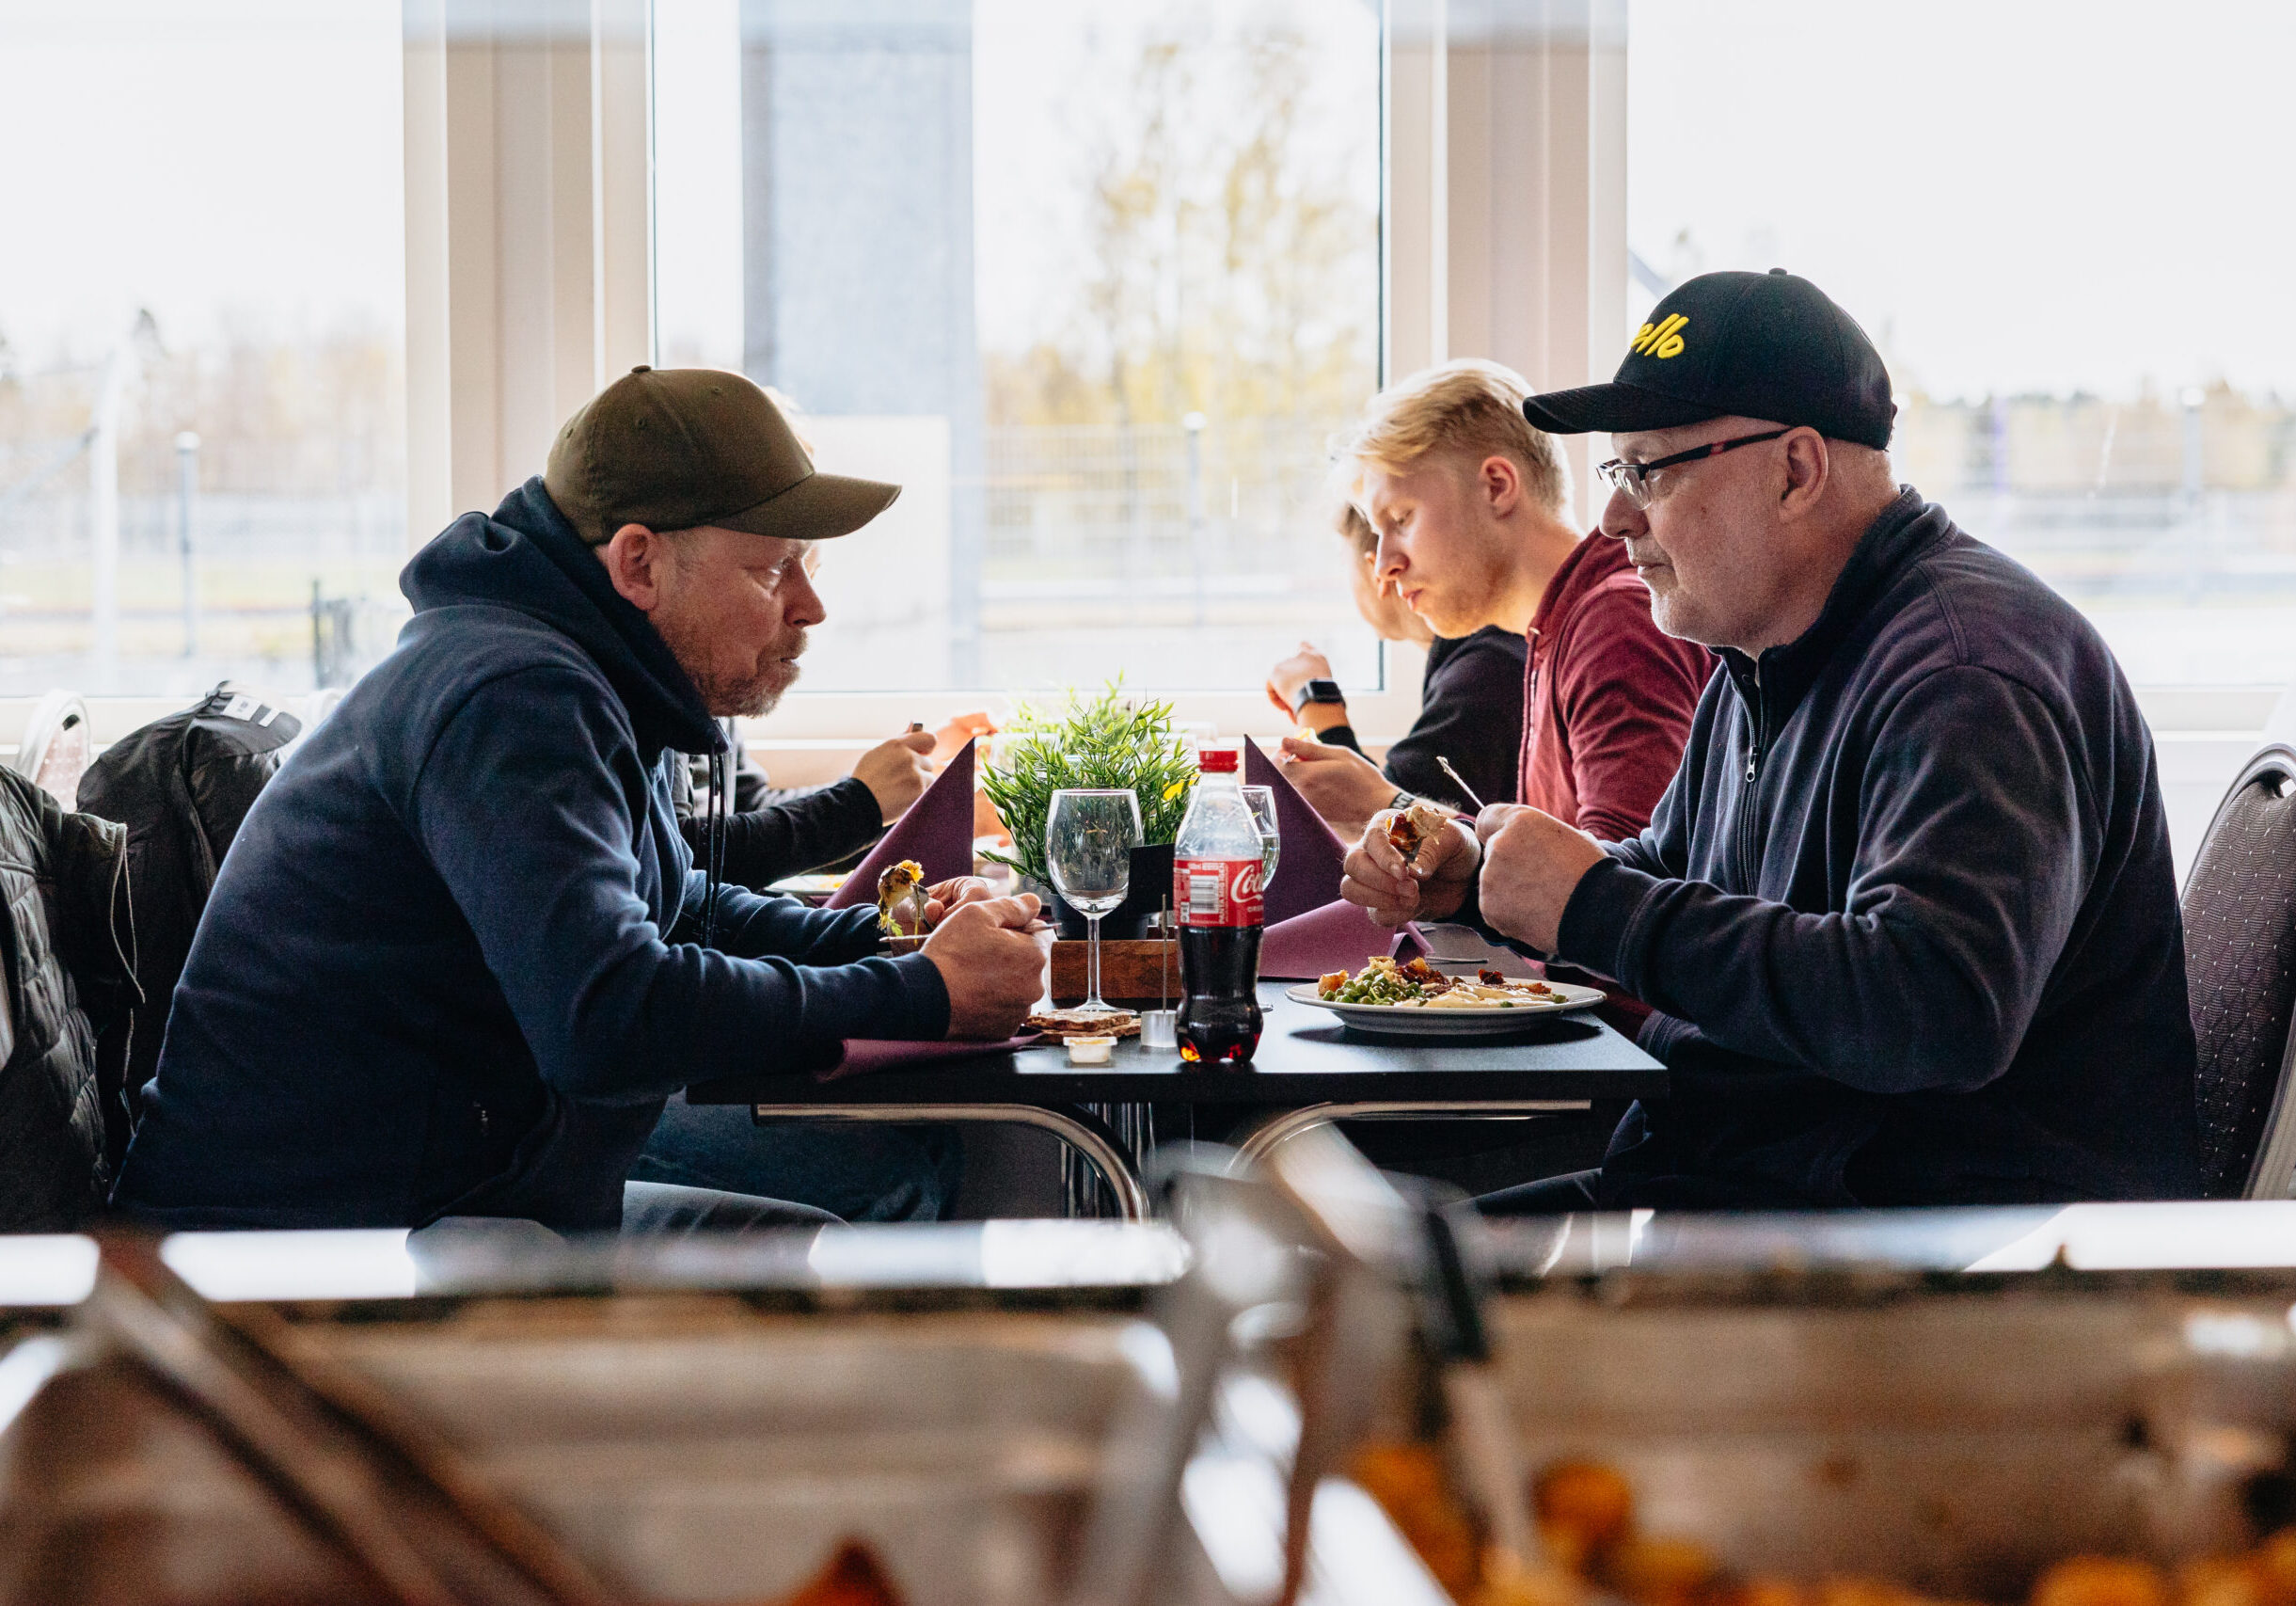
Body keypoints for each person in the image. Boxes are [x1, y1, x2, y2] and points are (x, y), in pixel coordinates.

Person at [115, 366, 1052, 1234]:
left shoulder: (579, 670)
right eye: (773, 569)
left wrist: (892, 938)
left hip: (450, 1194)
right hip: (317, 1248)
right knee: (817, 1271)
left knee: (807, 1248)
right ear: (638, 563)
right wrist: (921, 991)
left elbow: (676, 905)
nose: (809, 606)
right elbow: (605, 1018)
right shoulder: (512, 697)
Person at [1340, 271, 2202, 1210]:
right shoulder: (1762, 656)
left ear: (1794, 470)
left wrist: (1592, 905)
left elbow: (1935, 1009)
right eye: (1614, 473)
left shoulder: (1967, 675)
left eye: (1649, 470)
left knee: (1377, 1321)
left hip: (1930, 1267)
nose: (1613, 519)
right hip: (1755, 1193)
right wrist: (1485, 881)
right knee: (1351, 1297)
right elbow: (1668, 875)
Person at [1279, 360, 1711, 846]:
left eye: (1401, 518)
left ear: (1497, 487)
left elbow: (1615, 889)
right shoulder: (1556, 631)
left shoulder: (1613, 627)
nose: (1383, 565)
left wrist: (1386, 805)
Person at [1264, 503, 1526, 828]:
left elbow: (1400, 831)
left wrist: (1316, 699)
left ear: (1378, 573)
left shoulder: (1485, 674)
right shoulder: (1490, 655)